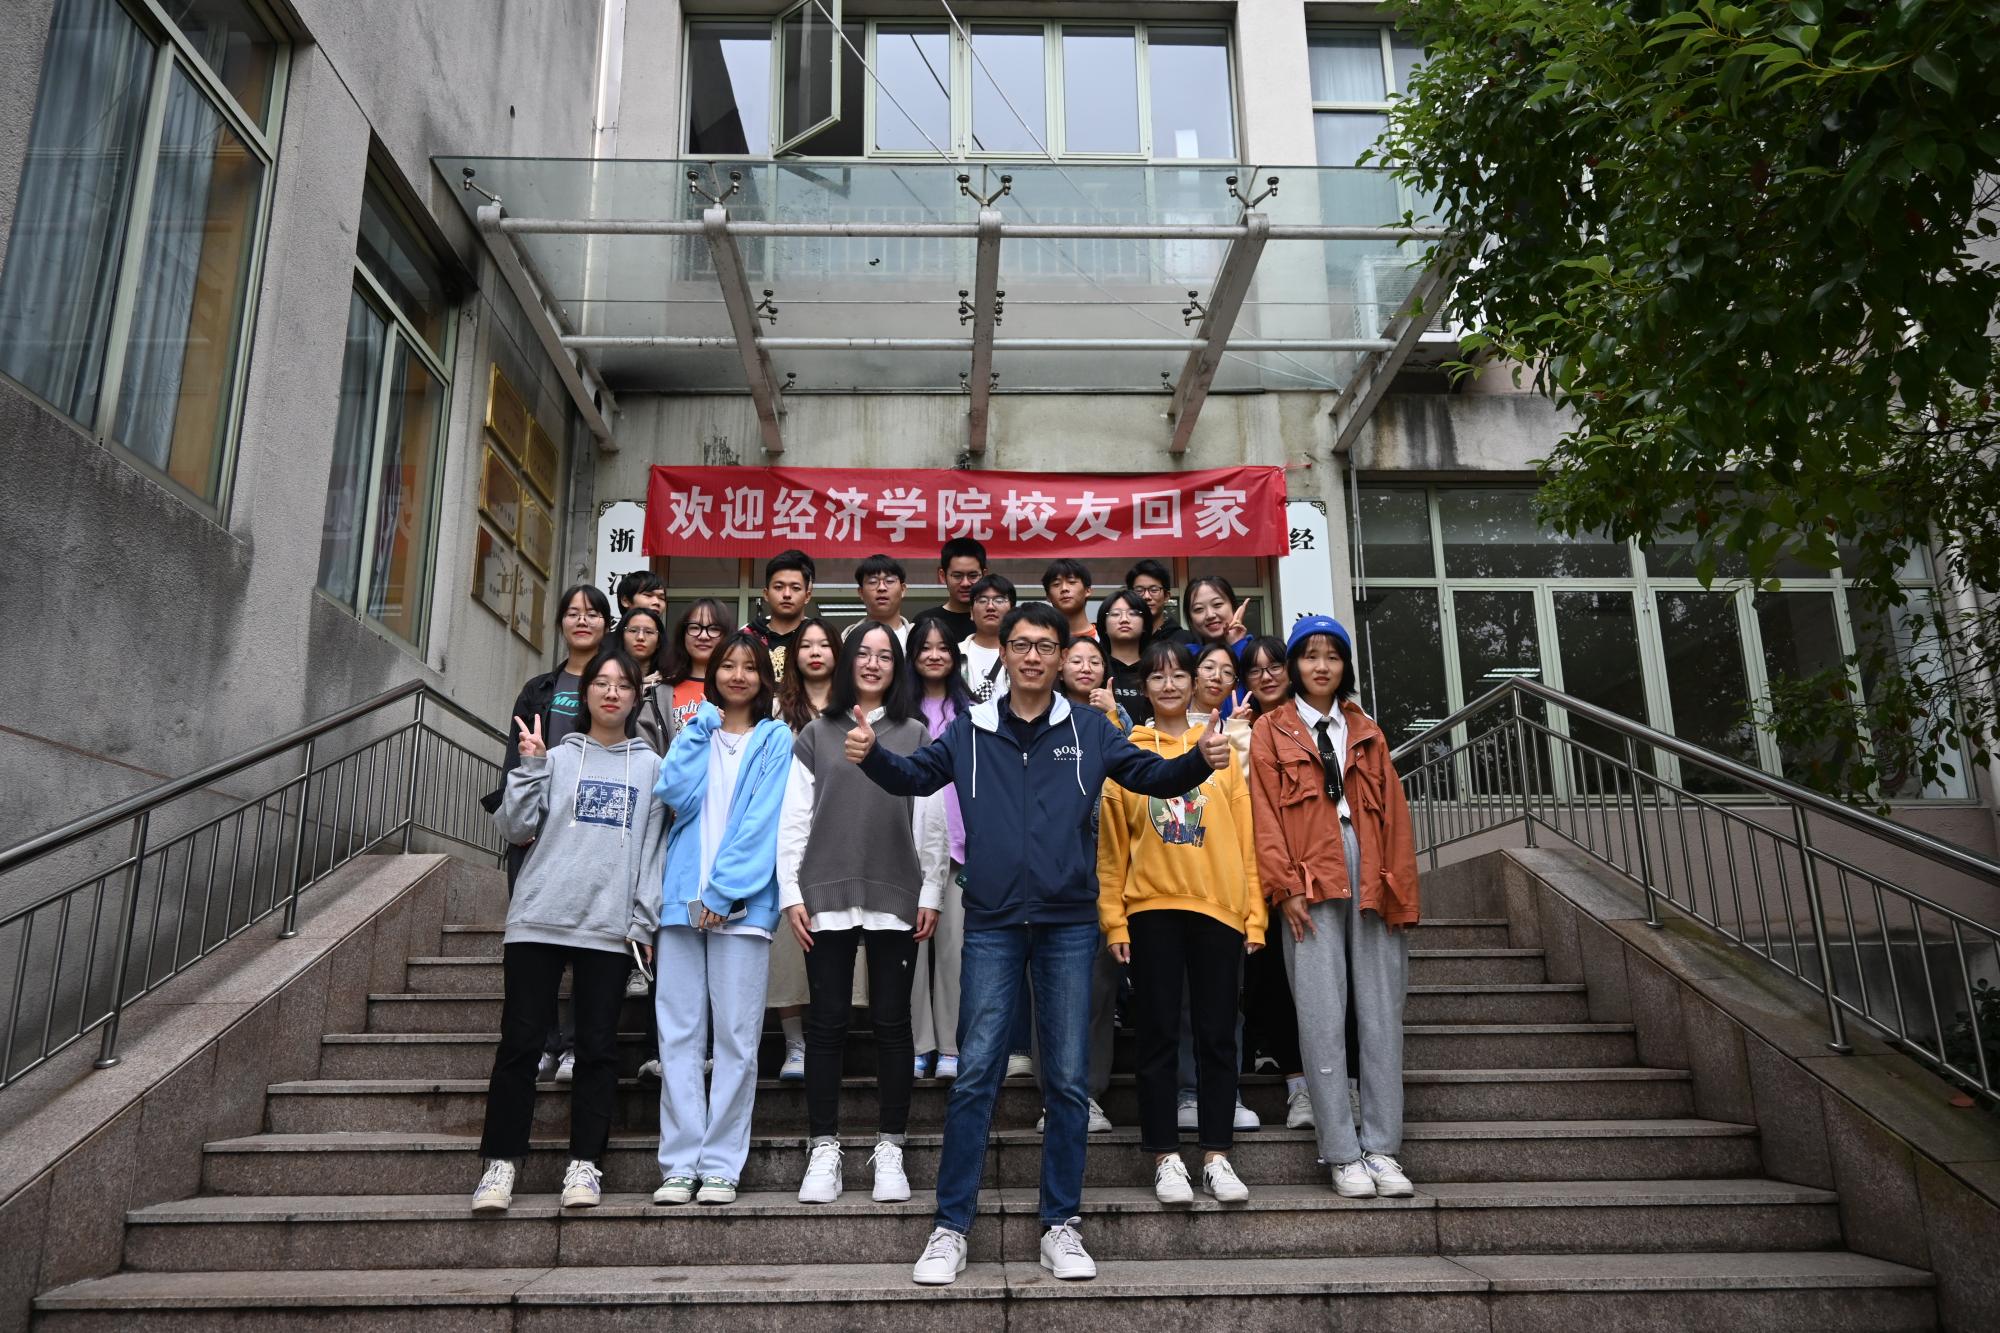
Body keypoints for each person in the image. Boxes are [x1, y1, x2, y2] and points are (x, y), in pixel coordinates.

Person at [843, 602, 1234, 1287]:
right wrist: (872, 755)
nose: (1031, 656)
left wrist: (1200, 760)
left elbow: (1150, 777)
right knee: (975, 1076)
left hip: (1069, 922)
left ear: (1060, 658)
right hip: (992, 921)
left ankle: (1061, 1224)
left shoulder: (1091, 727)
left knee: (1069, 1079)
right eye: (1020, 645)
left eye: (1044, 646)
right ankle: (950, 1226)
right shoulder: (971, 729)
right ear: (1004, 656)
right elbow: (915, 777)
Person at [472, 646, 668, 1214]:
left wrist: (643, 920)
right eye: (601, 682)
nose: (611, 692)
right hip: (538, 918)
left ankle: (585, 1164)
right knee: (519, 1046)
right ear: (586, 694)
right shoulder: (555, 757)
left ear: (635, 698)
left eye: (623, 684)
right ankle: (500, 1164)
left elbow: (653, 852)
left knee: (599, 1051)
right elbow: (515, 829)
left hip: (607, 927)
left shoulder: (651, 768)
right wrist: (529, 768)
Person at [1248, 616, 1422, 1202]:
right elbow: (1265, 815)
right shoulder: (1271, 729)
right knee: (1321, 1018)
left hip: (1373, 870)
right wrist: (1284, 887)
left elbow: (1396, 817)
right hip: (1310, 874)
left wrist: (1401, 895)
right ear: (1294, 665)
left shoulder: (1366, 730)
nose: (1321, 666)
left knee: (1380, 1015)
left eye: (1332, 656)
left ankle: (1383, 1148)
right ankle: (1343, 1153)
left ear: (1345, 665)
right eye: (1310, 656)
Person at [782, 622, 948, 1205]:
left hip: (895, 890)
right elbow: (794, 820)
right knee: (827, 1024)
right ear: (848, 661)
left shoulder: (915, 732)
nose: (873, 663)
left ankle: (891, 1147)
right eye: (864, 654)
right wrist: (791, 893)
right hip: (824, 891)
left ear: (897, 668)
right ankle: (823, 1148)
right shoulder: (815, 733)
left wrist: (931, 893)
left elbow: (931, 819)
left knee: (892, 1023)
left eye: (885, 656)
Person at [1098, 640, 1264, 1205]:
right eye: (1157, 677)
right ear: (1143, 688)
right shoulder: (1127, 753)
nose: (1168, 685)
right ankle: (1165, 1156)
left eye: (1178, 676)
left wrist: (1254, 915)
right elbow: (1112, 848)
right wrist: (1114, 920)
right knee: (1158, 1036)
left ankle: (1217, 1155)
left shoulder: (1220, 748)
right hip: (1151, 910)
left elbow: (1245, 836)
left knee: (1217, 1036)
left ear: (1195, 683)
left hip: (1219, 909)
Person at [650, 631, 792, 1208]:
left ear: (763, 678)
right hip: (681, 902)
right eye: (728, 665)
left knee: (736, 1039)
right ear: (713, 676)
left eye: (749, 666)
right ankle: (679, 1164)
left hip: (743, 906)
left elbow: (763, 823)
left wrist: (723, 891)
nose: (737, 675)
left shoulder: (775, 738)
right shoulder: (697, 731)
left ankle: (720, 1166)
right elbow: (672, 792)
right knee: (679, 1036)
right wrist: (696, 730)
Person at [483, 583, 613, 1083]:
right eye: (573, 613)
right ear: (560, 623)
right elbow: (515, 760)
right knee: (535, 946)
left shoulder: (613, 685)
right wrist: (518, 818)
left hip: (589, 832)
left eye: (593, 613)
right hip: (536, 832)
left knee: (587, 942)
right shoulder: (538, 688)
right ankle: (543, 1042)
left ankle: (577, 1045)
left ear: (606, 623)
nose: (582, 620)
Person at [1230, 634, 1312, 1130]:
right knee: (1271, 981)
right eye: (1254, 669)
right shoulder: (1239, 728)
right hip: (1253, 872)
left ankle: (1332, 1084)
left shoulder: (1313, 722)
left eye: (1274, 666)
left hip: (1308, 870)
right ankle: (1297, 1086)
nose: (1265, 676)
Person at [768, 617, 840, 1078]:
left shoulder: (852, 704)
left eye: (823, 644)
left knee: (838, 936)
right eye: (806, 645)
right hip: (790, 829)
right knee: (789, 941)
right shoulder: (777, 708)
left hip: (841, 831)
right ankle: (795, 1043)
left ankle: (831, 1035)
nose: (815, 652)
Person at [907, 616, 973, 1082]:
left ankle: (950, 1045)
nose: (934, 655)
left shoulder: (974, 713)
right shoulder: (898, 710)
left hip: (960, 844)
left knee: (954, 950)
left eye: (942, 647)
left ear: (955, 656)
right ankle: (919, 1043)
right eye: (925, 647)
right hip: (905, 843)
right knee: (911, 951)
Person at [619, 604, 676, 1075]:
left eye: (649, 630)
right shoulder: (619, 683)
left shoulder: (665, 689)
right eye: (633, 629)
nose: (641, 637)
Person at [665, 599, 736, 730]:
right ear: (683, 634)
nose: (703, 636)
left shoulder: (739, 687)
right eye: (695, 627)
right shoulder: (662, 690)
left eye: (714, 629)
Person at [749, 550, 816, 681]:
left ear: (807, 596)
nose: (787, 594)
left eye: (795, 588)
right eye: (779, 587)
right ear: (766, 594)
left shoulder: (820, 639)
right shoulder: (748, 636)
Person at [1096, 588, 1156, 726]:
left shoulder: (1156, 668)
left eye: (1133, 613)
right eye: (1115, 614)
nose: (1124, 619)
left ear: (1145, 625)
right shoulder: (1095, 668)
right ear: (1103, 626)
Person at [960, 573, 1015, 704]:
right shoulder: (954, 654)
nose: (990, 607)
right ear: (971, 612)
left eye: (999, 600)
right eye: (982, 600)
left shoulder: (1025, 654)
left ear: (1013, 611)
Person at [1058, 636, 1128, 731]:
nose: (1086, 669)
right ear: (1060, 671)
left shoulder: (1117, 710)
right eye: (1076, 661)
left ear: (1104, 673)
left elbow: (1124, 741)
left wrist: (1112, 713)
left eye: (1094, 662)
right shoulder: (1050, 708)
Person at [929, 537, 988, 642]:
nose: (965, 583)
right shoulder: (926, 621)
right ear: (942, 576)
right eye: (957, 576)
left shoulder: (996, 620)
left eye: (973, 576)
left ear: (984, 575)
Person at [846, 553, 913, 644]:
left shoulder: (920, 638)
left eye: (889, 581)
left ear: (902, 590)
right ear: (861, 592)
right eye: (872, 582)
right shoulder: (845, 641)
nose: (882, 588)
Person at [1126, 559, 1187, 645]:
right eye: (1139, 590)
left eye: (1154, 590)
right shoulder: (1123, 638)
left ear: (1166, 596)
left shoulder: (1185, 640)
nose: (1146, 596)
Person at [1183, 575, 1253, 650]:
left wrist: (1237, 644)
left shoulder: (1257, 651)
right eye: (1199, 609)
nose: (1210, 615)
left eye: (1217, 604)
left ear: (1233, 607)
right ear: (1190, 618)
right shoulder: (1185, 655)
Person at [1041, 559, 1095, 642]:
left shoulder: (1106, 638)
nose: (1064, 588)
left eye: (1071, 582)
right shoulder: (1042, 640)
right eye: (1056, 584)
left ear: (1088, 591)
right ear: (1048, 596)